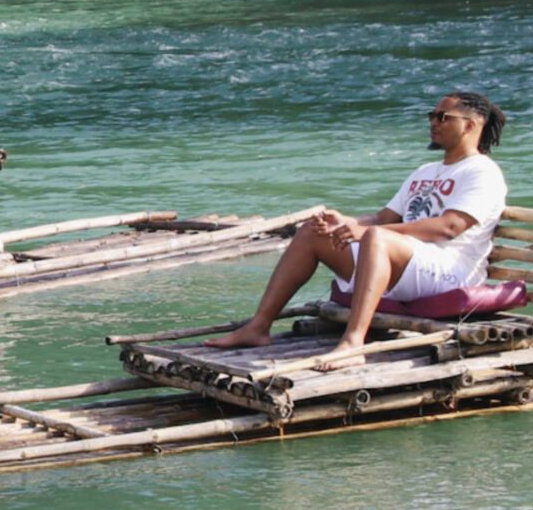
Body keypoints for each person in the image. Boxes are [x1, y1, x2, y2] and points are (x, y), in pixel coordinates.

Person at [205, 91, 511, 355]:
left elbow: (450, 227)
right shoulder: (426, 171)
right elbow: (382, 219)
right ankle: (258, 327)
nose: (433, 122)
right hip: (407, 264)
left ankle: (354, 341)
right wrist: (347, 222)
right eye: (432, 115)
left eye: (443, 116)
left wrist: (367, 232)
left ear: (471, 125)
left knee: (376, 237)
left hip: (450, 272)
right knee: (313, 232)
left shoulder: (482, 172)